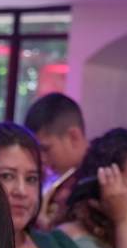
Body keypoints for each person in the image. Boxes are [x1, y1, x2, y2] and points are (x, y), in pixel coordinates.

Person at [23, 92, 88, 230]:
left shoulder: (97, 181)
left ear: (74, 137)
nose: (41, 158)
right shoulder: (58, 181)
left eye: (45, 149)